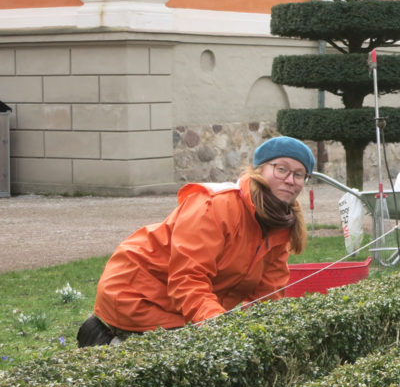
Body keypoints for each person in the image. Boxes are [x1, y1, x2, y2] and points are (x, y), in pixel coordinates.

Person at [76, 136, 315, 347]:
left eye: (298, 174)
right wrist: (221, 328)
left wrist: (261, 337)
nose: (290, 180)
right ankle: (109, 343)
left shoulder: (280, 225)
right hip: (138, 293)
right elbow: (187, 278)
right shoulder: (216, 206)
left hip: (179, 304)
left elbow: (268, 292)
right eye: (281, 169)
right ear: (259, 170)